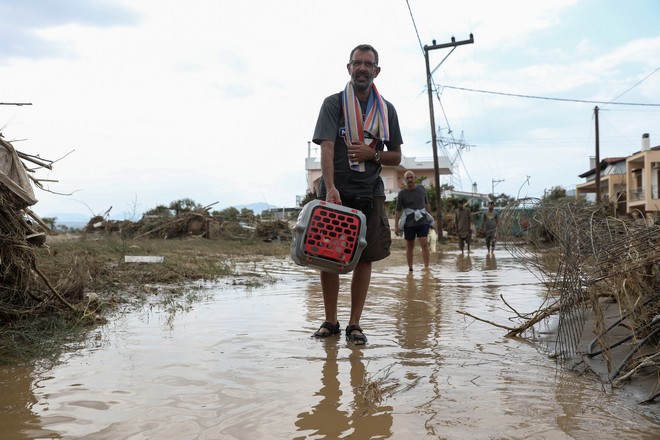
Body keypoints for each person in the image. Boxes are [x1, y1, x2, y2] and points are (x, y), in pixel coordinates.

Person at [311, 44, 403, 345]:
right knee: (329, 257)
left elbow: (396, 157)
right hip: (336, 193)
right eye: (357, 63)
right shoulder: (332, 104)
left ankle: (354, 324)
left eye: (368, 64)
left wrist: (372, 153)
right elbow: (326, 147)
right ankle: (330, 321)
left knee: (364, 258)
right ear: (348, 68)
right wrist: (330, 188)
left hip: (370, 193)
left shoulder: (386, 109)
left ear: (377, 70)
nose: (362, 68)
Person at [394, 171, 433, 271]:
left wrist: (431, 219)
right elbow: (398, 210)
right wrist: (396, 226)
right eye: (407, 178)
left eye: (411, 177)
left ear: (415, 178)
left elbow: (427, 203)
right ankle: (410, 269)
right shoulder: (402, 193)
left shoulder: (421, 189)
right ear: (404, 180)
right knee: (410, 245)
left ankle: (426, 268)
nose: (409, 179)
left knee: (424, 242)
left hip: (423, 220)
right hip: (409, 223)